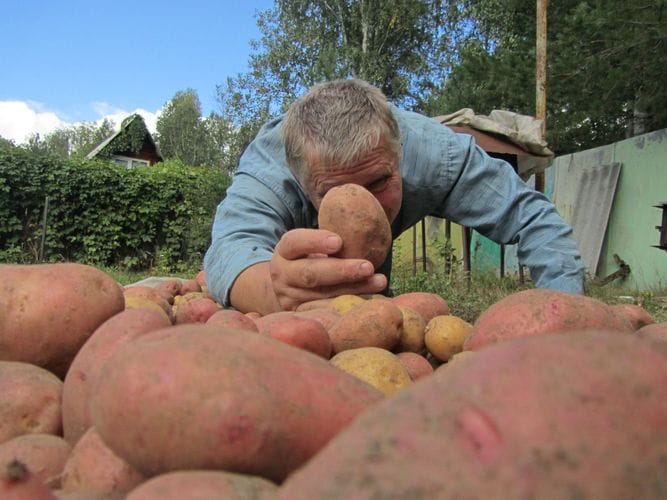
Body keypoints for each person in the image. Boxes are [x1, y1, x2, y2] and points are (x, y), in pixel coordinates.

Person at [203, 78, 585, 315]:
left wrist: (565, 312)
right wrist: (276, 291)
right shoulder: (271, 168)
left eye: (379, 182)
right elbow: (229, 250)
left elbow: (532, 218)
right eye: (334, 191)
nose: (365, 208)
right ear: (301, 181)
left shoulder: (436, 155)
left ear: (397, 152)